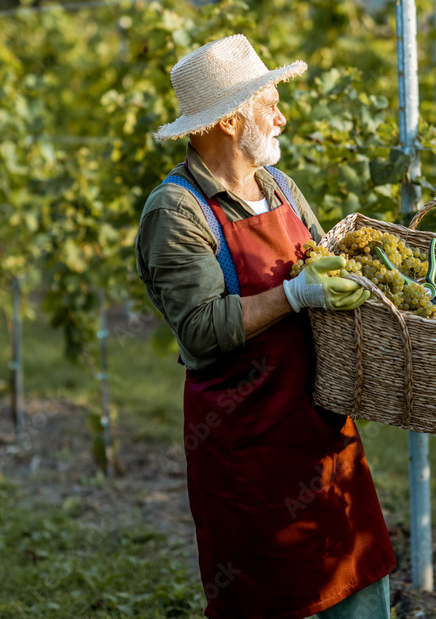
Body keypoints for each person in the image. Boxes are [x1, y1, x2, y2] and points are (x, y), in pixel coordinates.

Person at [136, 33, 396, 619]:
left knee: (358, 580)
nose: (282, 115)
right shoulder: (177, 211)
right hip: (249, 447)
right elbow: (200, 328)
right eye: (269, 102)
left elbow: (321, 261)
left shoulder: (278, 186)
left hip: (322, 431)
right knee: (271, 595)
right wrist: (296, 293)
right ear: (230, 121)